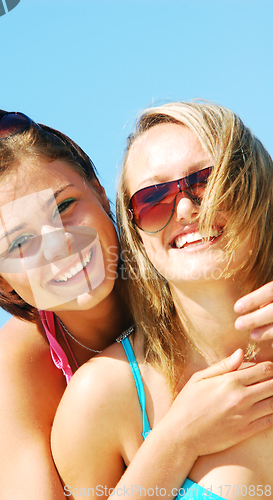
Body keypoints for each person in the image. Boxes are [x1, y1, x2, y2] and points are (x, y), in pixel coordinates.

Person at [0, 108, 273, 500]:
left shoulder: (188, 254)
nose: (59, 244)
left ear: (100, 191)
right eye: (19, 243)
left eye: (64, 207)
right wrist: (179, 437)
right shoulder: (16, 365)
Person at [52, 101, 273, 500]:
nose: (186, 208)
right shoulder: (103, 397)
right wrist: (177, 439)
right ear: (137, 235)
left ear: (256, 182)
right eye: (153, 199)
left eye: (206, 180)